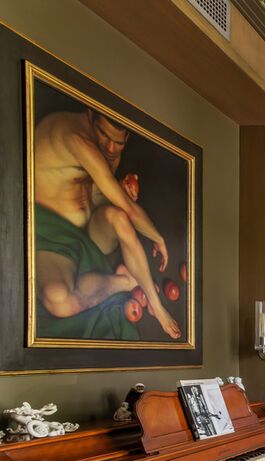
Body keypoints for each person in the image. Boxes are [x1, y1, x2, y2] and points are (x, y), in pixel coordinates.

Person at [32, 107, 180, 339]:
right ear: (91, 116)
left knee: (119, 218)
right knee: (58, 300)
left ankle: (157, 305)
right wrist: (157, 237)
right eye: (104, 135)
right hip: (52, 236)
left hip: (87, 234)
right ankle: (125, 281)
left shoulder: (108, 152)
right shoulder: (76, 139)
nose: (111, 148)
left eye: (119, 143)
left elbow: (93, 197)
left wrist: (120, 189)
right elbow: (129, 208)